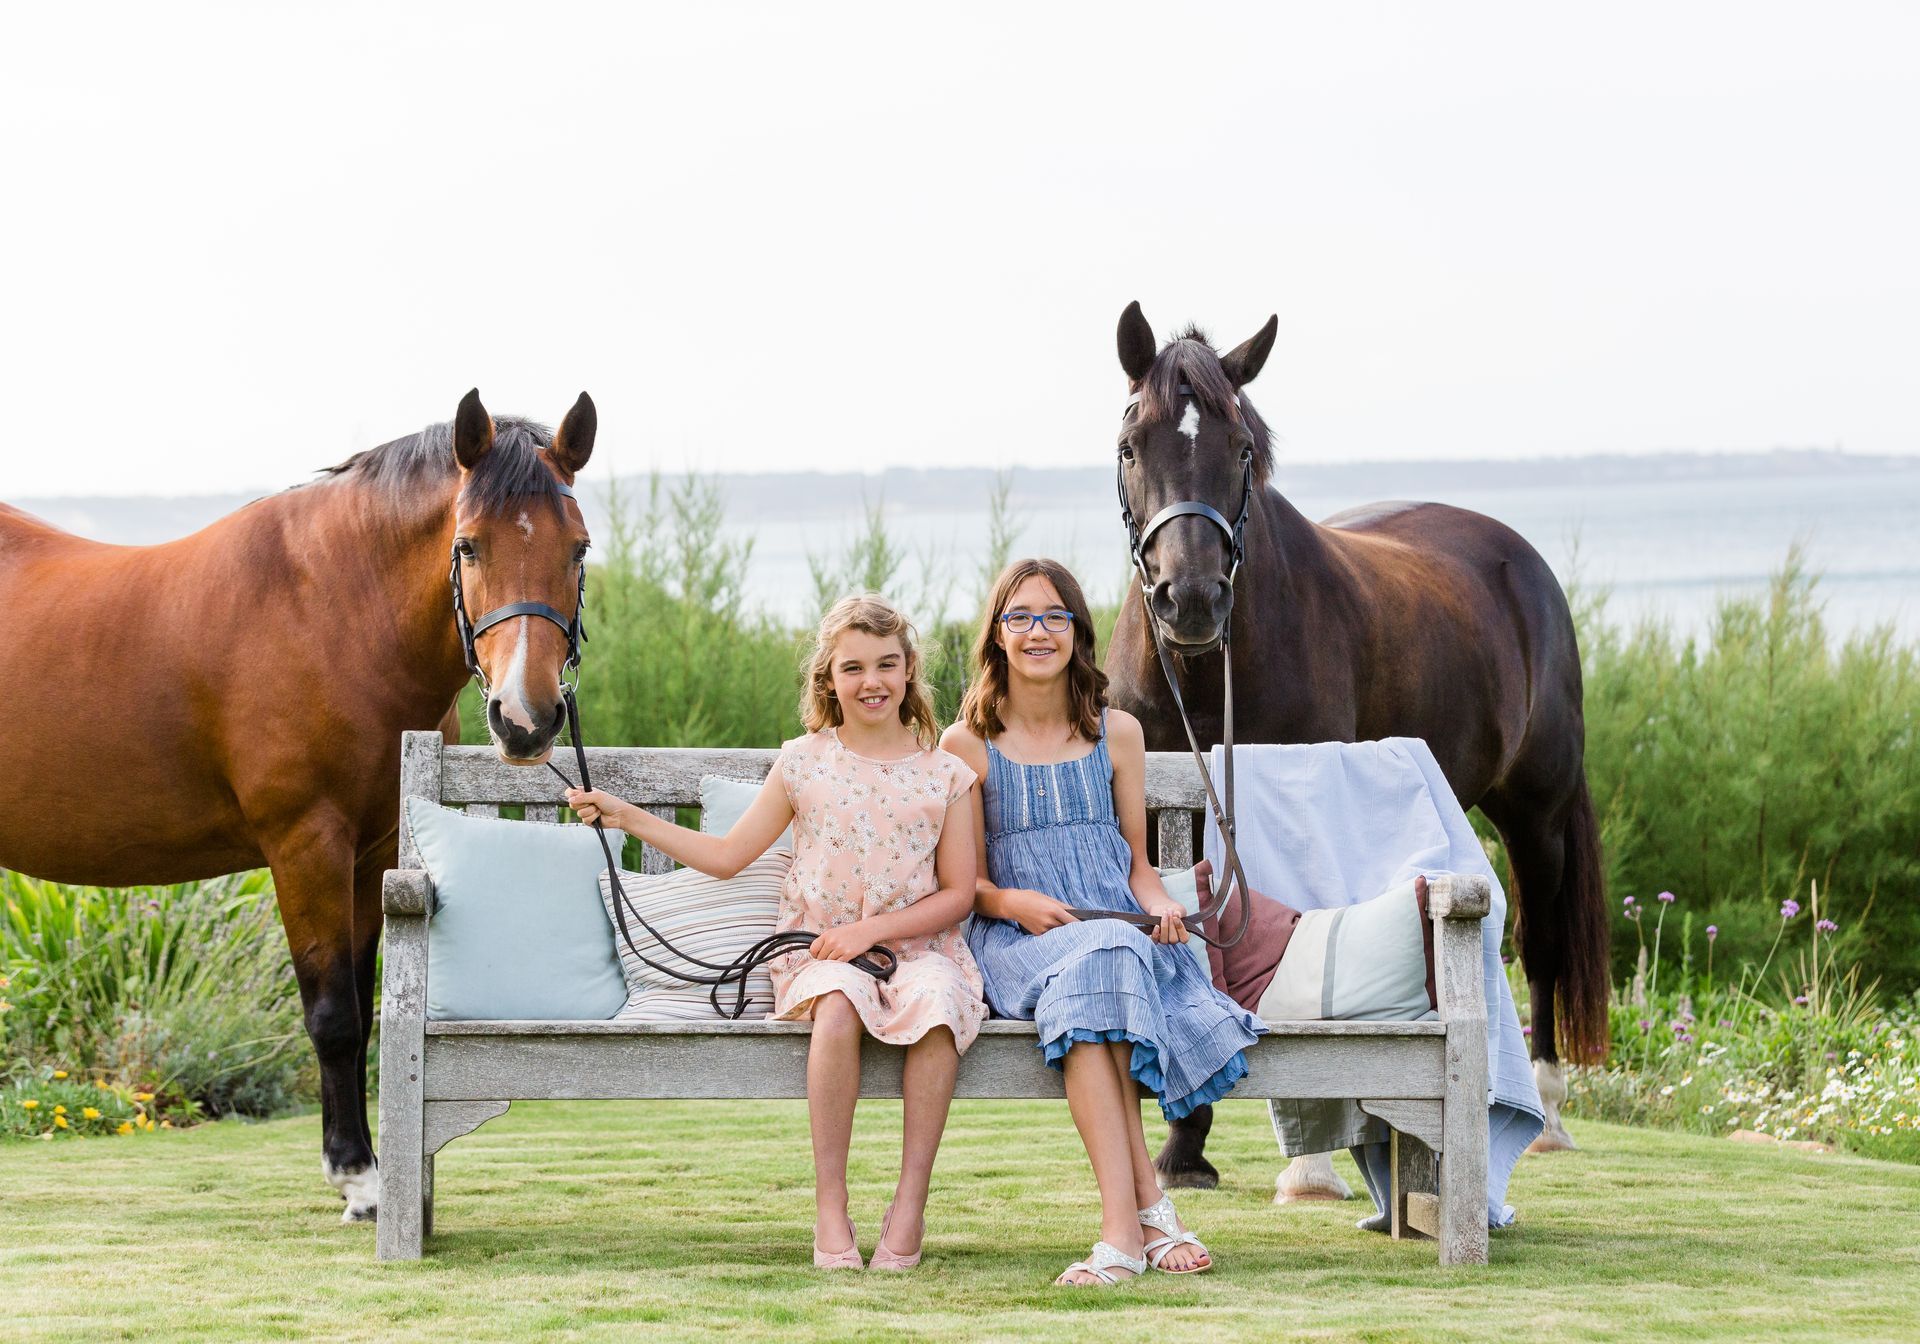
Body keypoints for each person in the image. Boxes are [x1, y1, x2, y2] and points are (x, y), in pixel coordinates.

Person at [567, 593, 981, 1271]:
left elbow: (959, 894)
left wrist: (872, 930)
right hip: (820, 952)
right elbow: (729, 857)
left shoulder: (946, 773)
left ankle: (909, 1202)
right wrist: (627, 816)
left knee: (940, 1008)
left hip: (918, 949)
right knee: (840, 1003)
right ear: (829, 680)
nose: (871, 681)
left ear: (909, 671)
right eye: (853, 668)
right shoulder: (803, 762)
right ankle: (830, 1205)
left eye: (886, 664)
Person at [939, 558, 1265, 1287]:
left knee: (1110, 958)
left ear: (1079, 634)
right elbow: (966, 885)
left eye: (1054, 616)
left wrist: (1162, 907)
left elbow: (1138, 868)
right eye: (1019, 617)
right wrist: (1011, 902)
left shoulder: (1116, 733)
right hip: (1020, 940)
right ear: (996, 636)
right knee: (1104, 960)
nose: (1037, 631)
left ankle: (1125, 1230)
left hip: (1112, 926)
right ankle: (1146, 1211)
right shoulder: (965, 745)